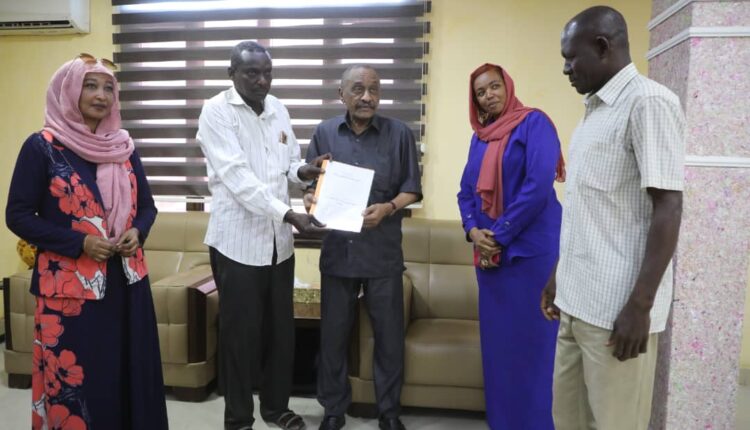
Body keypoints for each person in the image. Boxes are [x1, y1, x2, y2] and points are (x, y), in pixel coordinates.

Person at [541, 6, 685, 430]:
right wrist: (559, 274)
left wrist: (640, 306)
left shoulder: (649, 103)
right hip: (576, 301)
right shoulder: (594, 110)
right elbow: (589, 208)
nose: (566, 69)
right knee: (568, 419)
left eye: (571, 58)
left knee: (615, 423)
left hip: (616, 314)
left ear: (603, 47)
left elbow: (669, 206)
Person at [5, 54, 168, 429]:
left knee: (129, 379)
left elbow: (147, 207)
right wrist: (79, 243)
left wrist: (137, 232)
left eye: (109, 88)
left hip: (128, 286)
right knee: (81, 388)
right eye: (90, 86)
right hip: (70, 295)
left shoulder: (124, 148)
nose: (101, 95)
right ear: (67, 91)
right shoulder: (42, 147)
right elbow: (18, 215)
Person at [196, 41, 327, 430]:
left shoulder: (278, 109)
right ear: (232, 73)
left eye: (267, 72)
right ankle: (238, 419)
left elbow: (287, 165)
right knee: (239, 338)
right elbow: (237, 178)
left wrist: (304, 171)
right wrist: (288, 213)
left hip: (278, 245)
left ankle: (275, 409)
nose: (261, 80)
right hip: (237, 244)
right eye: (252, 72)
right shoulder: (216, 111)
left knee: (280, 334)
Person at [304, 65, 422, 430]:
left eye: (374, 89)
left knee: (388, 339)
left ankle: (389, 412)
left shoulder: (399, 134)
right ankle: (333, 410)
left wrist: (388, 208)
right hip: (338, 252)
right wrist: (310, 200)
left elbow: (412, 189)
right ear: (341, 94)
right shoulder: (324, 133)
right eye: (358, 89)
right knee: (333, 336)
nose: (367, 97)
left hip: (382, 253)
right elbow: (310, 185)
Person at [457, 63, 565, 429]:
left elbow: (537, 186)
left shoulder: (535, 124)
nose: (488, 95)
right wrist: (473, 230)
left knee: (535, 349)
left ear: (508, 86)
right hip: (492, 264)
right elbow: (465, 192)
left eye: (494, 86)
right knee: (499, 350)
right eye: (480, 92)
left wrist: (499, 234)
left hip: (532, 257)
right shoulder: (480, 137)